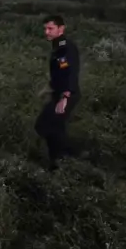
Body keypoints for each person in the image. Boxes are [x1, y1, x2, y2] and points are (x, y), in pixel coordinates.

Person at [35, 14, 82, 170]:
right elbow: (60, 72)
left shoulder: (64, 47)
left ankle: (60, 161)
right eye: (45, 29)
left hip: (67, 95)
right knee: (56, 127)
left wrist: (65, 96)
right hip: (61, 93)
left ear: (61, 29)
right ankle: (63, 160)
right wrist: (49, 87)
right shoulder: (59, 44)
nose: (46, 32)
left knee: (45, 125)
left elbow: (69, 72)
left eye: (50, 28)